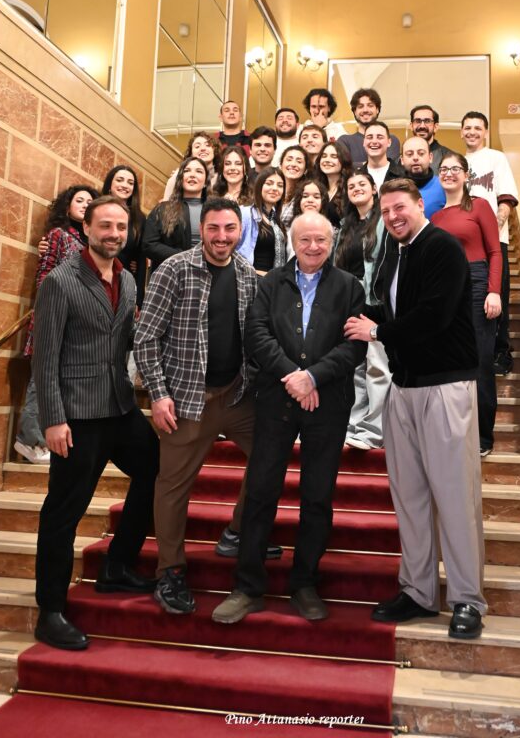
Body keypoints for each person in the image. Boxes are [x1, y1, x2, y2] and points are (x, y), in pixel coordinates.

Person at [345, 178, 486, 640]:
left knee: (455, 497)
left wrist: (377, 333)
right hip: (403, 388)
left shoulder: (442, 247)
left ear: (419, 205)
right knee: (410, 498)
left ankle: (467, 600)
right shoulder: (395, 252)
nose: (392, 217)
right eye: (385, 211)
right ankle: (419, 592)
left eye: (399, 208)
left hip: (445, 386)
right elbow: (387, 311)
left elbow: (434, 316)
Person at [212, 212, 366, 625]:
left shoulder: (350, 287)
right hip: (276, 401)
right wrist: (293, 376)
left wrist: (313, 377)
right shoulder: (270, 283)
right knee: (261, 491)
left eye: (321, 240)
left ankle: (305, 584)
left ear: (332, 243)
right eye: (305, 240)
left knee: (317, 496)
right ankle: (247, 587)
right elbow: (257, 334)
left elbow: (355, 347)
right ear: (293, 243)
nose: (313, 247)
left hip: (328, 403)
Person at [134, 198, 280, 617]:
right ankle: (170, 571)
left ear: (240, 231)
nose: (221, 237)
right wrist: (158, 394)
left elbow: (255, 337)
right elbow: (146, 337)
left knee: (269, 457)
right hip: (184, 399)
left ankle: (237, 531)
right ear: (202, 230)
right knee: (173, 486)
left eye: (229, 229)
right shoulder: (174, 269)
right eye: (213, 228)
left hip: (235, 395)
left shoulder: (248, 276)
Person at [33, 196, 159, 650]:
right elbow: (45, 358)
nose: (114, 234)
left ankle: (117, 566)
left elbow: (128, 338)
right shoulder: (60, 281)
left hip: (120, 407)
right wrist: (53, 419)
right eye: (105, 225)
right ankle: (50, 612)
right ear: (86, 228)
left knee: (156, 469)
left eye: (121, 227)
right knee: (64, 511)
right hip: (78, 416)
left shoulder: (127, 280)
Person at [14, 184, 99, 465]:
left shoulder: (90, 243)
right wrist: (49, 310)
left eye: (90, 201)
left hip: (77, 323)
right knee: (42, 377)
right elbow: (45, 274)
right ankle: (29, 439)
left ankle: (44, 440)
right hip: (54, 317)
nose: (85, 204)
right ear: (67, 206)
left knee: (59, 381)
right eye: (79, 200)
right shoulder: (58, 235)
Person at [432, 153, 502, 457]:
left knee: (480, 362)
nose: (448, 173)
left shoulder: (480, 206)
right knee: (450, 362)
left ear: (466, 175)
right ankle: (455, 432)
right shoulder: (435, 217)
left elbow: (495, 252)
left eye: (455, 169)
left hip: (476, 282)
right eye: (444, 169)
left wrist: (493, 291)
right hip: (446, 289)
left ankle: (483, 437)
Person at [461, 111, 519, 376]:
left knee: (497, 295)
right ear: (461, 131)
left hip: (494, 241)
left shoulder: (496, 158)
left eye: (477, 128)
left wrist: (493, 230)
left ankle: (501, 351)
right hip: (464, 242)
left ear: (485, 132)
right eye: (468, 127)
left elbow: (506, 199)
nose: (472, 132)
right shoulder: (457, 162)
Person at [335, 172, 389, 450]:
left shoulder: (384, 220)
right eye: (351, 186)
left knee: (377, 367)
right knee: (354, 367)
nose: (356, 189)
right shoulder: (346, 225)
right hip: (349, 300)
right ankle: (354, 425)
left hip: (375, 301)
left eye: (362, 185)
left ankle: (375, 429)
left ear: (374, 189)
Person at [143, 157, 207, 273]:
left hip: (206, 273)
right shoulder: (162, 209)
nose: (192, 175)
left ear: (206, 182)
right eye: (187, 171)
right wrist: (184, 257)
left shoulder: (214, 210)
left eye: (199, 171)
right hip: (170, 274)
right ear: (180, 178)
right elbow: (149, 245)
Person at [102, 165, 147, 307]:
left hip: (123, 283)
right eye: (120, 180)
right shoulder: (97, 208)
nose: (125, 185)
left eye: (130, 183)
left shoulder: (140, 218)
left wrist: (139, 301)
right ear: (110, 184)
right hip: (94, 277)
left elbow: (141, 260)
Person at [237, 168, 288, 274]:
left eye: (280, 185)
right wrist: (256, 273)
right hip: (251, 279)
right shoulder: (246, 214)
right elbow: (234, 252)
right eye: (269, 183)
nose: (275, 188)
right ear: (259, 186)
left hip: (274, 281)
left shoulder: (276, 220)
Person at [339, 88, 400, 166]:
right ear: (355, 112)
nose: (365, 110)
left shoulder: (391, 139)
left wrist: (357, 165)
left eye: (370, 105)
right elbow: (342, 166)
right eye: (360, 106)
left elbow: (388, 165)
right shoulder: (345, 141)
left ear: (377, 110)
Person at [163, 132, 221, 199]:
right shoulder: (179, 175)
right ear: (191, 153)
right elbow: (166, 202)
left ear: (214, 150)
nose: (202, 149)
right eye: (197, 146)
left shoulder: (222, 177)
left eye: (207, 145)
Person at [400, 136, 446, 219]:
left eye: (421, 153)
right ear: (402, 160)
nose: (415, 158)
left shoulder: (444, 186)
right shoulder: (394, 189)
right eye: (409, 154)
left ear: (430, 157)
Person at [314, 141, 352, 227]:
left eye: (334, 156)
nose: (327, 160)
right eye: (324, 156)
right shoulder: (316, 187)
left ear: (344, 160)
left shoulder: (349, 189)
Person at [362, 121, 406, 191]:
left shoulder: (403, 175)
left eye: (380, 137)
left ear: (389, 142)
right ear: (364, 142)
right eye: (369, 137)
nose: (374, 141)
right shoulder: (356, 177)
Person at [410, 105, 449, 173]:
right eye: (418, 121)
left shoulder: (448, 157)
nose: (422, 126)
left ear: (435, 127)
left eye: (427, 121)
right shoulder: (400, 160)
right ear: (411, 126)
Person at [279, 145, 309, 229]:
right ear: (280, 165)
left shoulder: (306, 194)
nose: (293, 164)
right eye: (289, 160)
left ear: (305, 170)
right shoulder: (272, 189)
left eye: (299, 162)